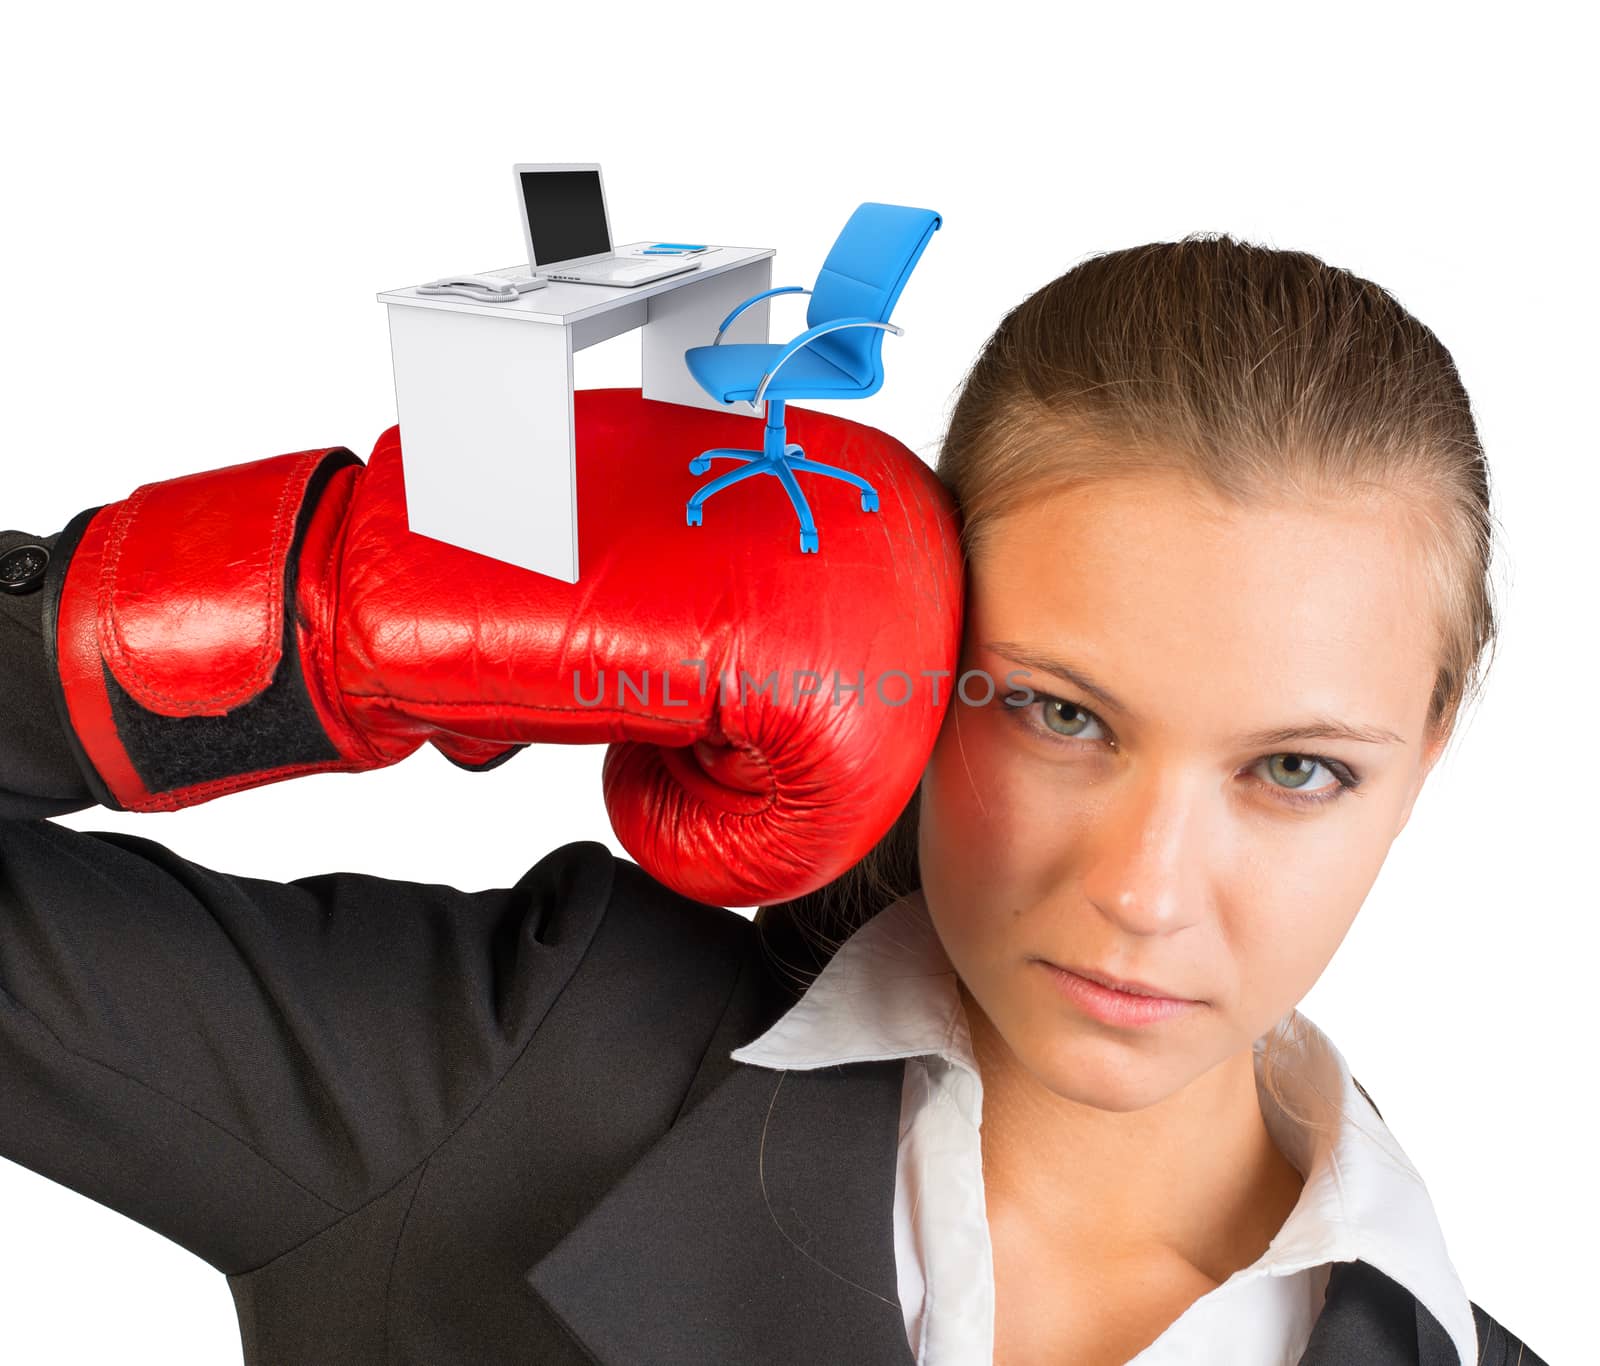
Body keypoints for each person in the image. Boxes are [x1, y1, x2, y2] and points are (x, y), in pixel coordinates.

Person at [0, 234, 1547, 1366]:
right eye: (1064, 714)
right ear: (918, 652)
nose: (1145, 888)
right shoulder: (504, 1079)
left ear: (1427, 756)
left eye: (1295, 770)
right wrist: (303, 615)